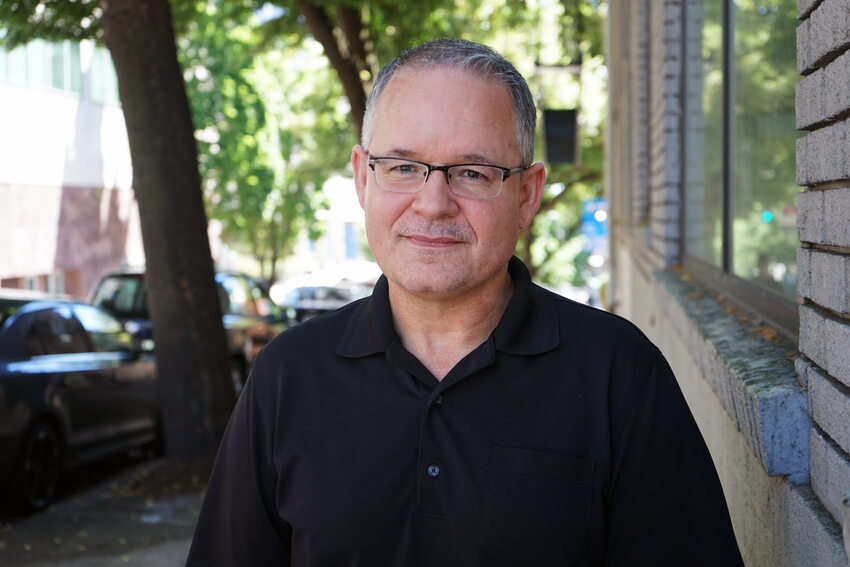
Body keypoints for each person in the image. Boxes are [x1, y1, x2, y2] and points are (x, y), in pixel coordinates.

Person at [186, 38, 744, 566]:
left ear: (527, 196)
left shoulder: (620, 375)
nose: (433, 204)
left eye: (472, 173)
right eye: (403, 167)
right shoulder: (288, 376)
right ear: (363, 178)